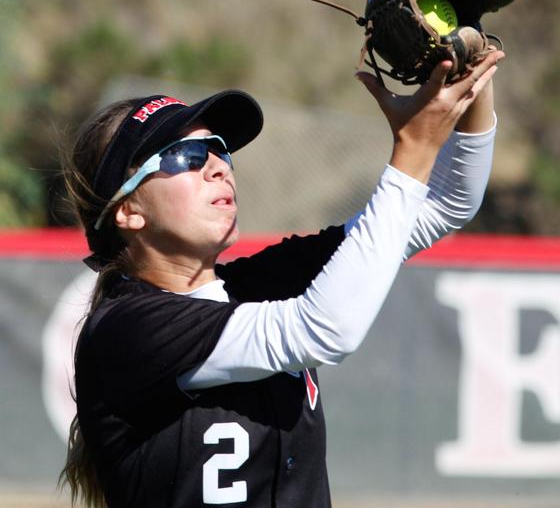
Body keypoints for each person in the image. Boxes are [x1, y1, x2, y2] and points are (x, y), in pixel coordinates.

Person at [59, 52, 503, 507]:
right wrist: (412, 152)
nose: (218, 166)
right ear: (128, 211)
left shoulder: (261, 283)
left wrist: (473, 73)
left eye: (218, 149)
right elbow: (324, 330)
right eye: (187, 156)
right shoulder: (128, 329)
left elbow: (445, 204)